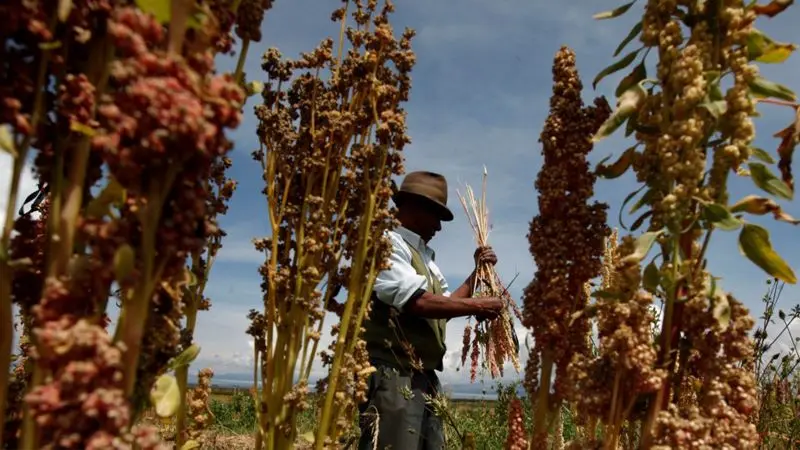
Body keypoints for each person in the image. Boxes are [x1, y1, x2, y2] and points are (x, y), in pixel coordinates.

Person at [358, 171, 505, 450]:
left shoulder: (426, 256)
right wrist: (479, 305)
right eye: (436, 215)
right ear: (415, 207)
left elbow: (445, 305)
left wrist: (478, 273)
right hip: (394, 374)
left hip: (423, 376)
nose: (439, 226)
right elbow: (418, 302)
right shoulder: (387, 244)